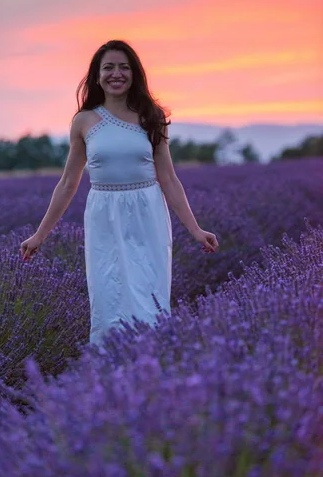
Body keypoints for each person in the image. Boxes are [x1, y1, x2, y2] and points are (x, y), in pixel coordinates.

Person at [20, 39, 219, 345]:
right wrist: (39, 236)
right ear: (96, 76)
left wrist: (195, 229)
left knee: (148, 296)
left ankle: (152, 369)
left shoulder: (151, 116)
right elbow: (68, 183)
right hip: (104, 216)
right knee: (109, 295)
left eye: (124, 67)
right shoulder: (84, 121)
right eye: (109, 67)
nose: (117, 74)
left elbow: (168, 178)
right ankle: (111, 376)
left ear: (135, 73)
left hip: (147, 214)